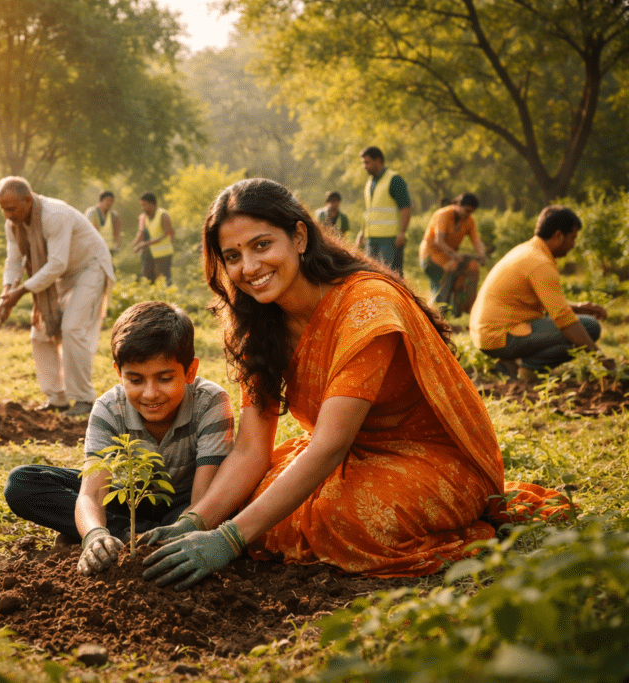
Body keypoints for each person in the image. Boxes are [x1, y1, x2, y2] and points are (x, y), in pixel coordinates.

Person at [139, 178, 569, 591]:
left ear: (300, 237)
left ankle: (470, 526)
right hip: (354, 457)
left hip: (432, 458)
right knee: (253, 505)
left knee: (345, 518)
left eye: (262, 245)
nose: (249, 268)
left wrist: (228, 540)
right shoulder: (255, 321)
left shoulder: (366, 306)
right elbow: (252, 449)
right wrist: (195, 521)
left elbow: (329, 445)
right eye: (232, 256)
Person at [3, 301, 234, 576]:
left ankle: (128, 538)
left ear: (190, 371)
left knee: (228, 504)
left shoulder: (211, 402)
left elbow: (202, 499)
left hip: (185, 503)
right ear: (119, 373)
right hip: (126, 497)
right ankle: (123, 538)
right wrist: (94, 533)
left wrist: (188, 525)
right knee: (22, 482)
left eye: (164, 378)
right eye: (135, 380)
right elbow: (92, 493)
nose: (150, 393)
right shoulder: (109, 408)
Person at [0, 176, 116, 417]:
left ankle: (83, 400)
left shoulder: (54, 216)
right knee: (40, 333)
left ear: (27, 200)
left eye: (10, 208)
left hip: (89, 268)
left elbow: (57, 263)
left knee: (72, 329)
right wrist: (6, 292)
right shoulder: (13, 225)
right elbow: (14, 260)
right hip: (60, 275)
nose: (7, 215)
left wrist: (20, 292)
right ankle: (56, 398)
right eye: (3, 209)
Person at [469, 206, 612, 380]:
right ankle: (528, 369)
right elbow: (564, 319)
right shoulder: (540, 263)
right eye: (573, 238)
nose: (573, 245)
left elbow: (550, 303)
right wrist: (602, 359)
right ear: (558, 236)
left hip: (487, 334)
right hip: (499, 336)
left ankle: (509, 363)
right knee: (589, 327)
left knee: (581, 325)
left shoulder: (528, 251)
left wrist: (580, 307)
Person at [419, 192, 487, 314]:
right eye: (466, 210)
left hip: (450, 258)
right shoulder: (443, 215)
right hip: (430, 256)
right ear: (458, 205)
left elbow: (476, 241)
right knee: (446, 277)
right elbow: (439, 241)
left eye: (471, 212)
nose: (468, 214)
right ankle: (436, 314)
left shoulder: (469, 220)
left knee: (472, 268)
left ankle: (462, 309)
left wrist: (482, 254)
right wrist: (454, 255)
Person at [356, 146, 411, 275]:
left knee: (390, 277)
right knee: (371, 275)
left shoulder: (395, 180)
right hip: (371, 240)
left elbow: (406, 208)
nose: (364, 166)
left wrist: (402, 232)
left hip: (390, 240)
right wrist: (362, 232)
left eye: (367, 162)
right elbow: (369, 212)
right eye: (363, 163)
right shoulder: (370, 182)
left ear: (378, 161)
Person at [131, 192, 175, 285]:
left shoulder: (163, 215)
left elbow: (166, 234)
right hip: (152, 253)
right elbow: (142, 233)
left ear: (152, 204)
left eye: (144, 205)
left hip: (164, 254)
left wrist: (147, 243)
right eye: (141, 205)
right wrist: (134, 244)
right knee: (149, 279)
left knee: (163, 281)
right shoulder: (145, 217)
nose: (142, 208)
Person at [86, 190, 122, 255]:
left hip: (109, 250)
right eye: (107, 200)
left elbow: (117, 233)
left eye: (111, 201)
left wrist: (116, 246)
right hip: (93, 249)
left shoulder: (114, 215)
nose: (109, 203)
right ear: (101, 201)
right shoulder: (91, 212)